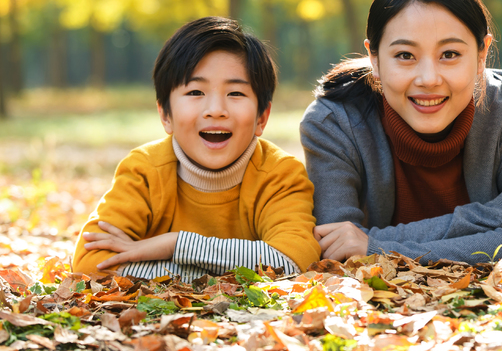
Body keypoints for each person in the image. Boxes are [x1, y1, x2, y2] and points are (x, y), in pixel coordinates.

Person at [300, 0, 502, 264]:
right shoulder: (333, 124)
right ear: (375, 59)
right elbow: (338, 248)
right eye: (405, 55)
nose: (429, 79)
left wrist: (375, 246)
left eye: (450, 54)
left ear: (481, 54)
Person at [72, 16, 321, 279]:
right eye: (195, 93)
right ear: (165, 114)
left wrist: (176, 244)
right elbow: (91, 263)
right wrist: (203, 272)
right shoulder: (144, 171)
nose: (215, 110)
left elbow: (293, 261)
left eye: (235, 93)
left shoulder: (280, 175)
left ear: (262, 117)